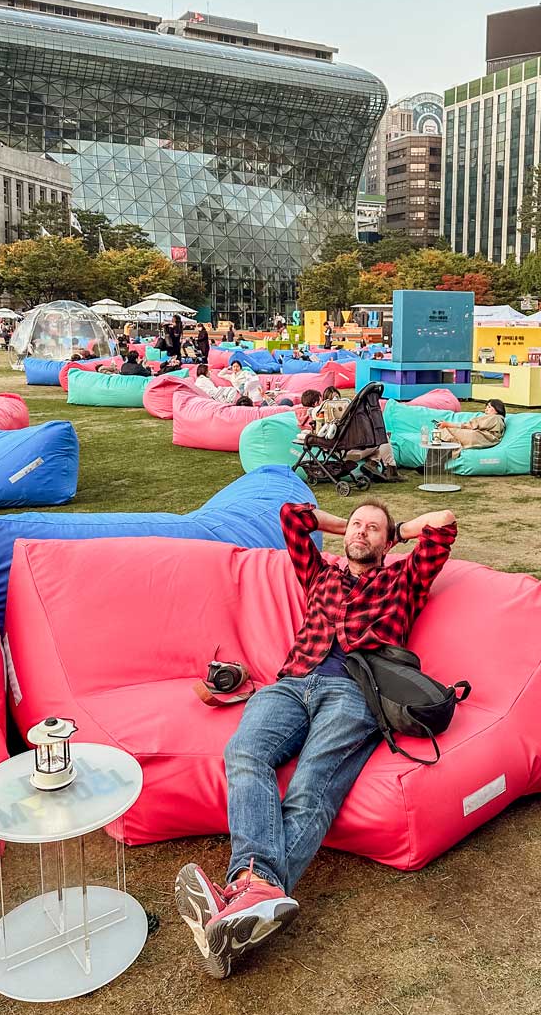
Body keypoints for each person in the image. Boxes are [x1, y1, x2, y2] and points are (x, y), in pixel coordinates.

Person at [174, 500, 458, 979]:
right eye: (357, 525)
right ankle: (254, 896)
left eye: (373, 529)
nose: (362, 532)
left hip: (354, 692)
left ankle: (245, 888)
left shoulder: (403, 580)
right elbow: (292, 516)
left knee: (312, 786)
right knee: (244, 753)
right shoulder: (319, 574)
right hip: (291, 683)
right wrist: (350, 526)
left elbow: (444, 525)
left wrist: (397, 531)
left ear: (388, 542)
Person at [436, 399, 507, 449]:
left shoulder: (495, 418)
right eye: (486, 407)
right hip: (482, 439)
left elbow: (470, 425)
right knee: (447, 431)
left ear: (497, 408)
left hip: (477, 437)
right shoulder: (499, 419)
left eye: (489, 407)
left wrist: (447, 424)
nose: (486, 409)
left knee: (445, 431)